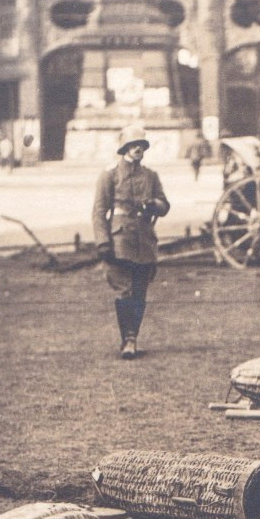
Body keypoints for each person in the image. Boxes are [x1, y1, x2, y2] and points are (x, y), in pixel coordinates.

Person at [93, 126, 170, 360]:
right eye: (134, 145)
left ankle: (133, 335)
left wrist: (154, 205)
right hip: (121, 239)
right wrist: (103, 242)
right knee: (124, 290)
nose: (138, 149)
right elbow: (99, 211)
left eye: (142, 145)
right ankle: (128, 340)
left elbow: (165, 206)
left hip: (144, 240)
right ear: (125, 148)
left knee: (139, 292)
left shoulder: (151, 176)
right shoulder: (110, 175)